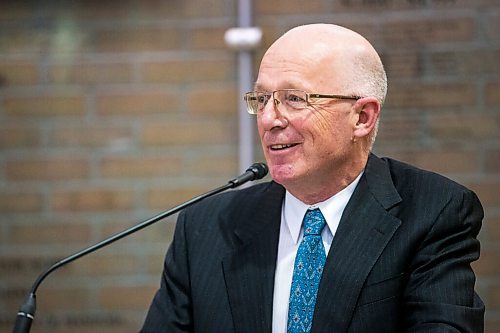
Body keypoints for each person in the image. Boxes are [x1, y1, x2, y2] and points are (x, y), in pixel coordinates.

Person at [141, 23, 484, 333]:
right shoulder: (204, 227)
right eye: (262, 99)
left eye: (294, 98)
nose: (270, 119)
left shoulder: (434, 212)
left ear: (362, 117)